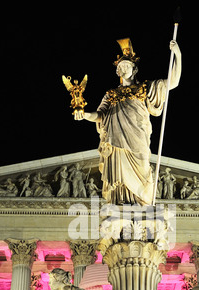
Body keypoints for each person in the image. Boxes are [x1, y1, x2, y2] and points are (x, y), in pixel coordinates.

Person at [74, 38, 181, 206]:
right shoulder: (111, 94)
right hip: (116, 142)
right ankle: (121, 202)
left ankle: (142, 203)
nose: (123, 69)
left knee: (143, 169)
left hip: (137, 138)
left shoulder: (145, 88)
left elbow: (173, 82)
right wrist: (84, 114)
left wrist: (178, 55)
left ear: (135, 69)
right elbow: (100, 115)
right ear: (117, 71)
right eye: (120, 67)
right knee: (119, 179)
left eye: (126, 66)